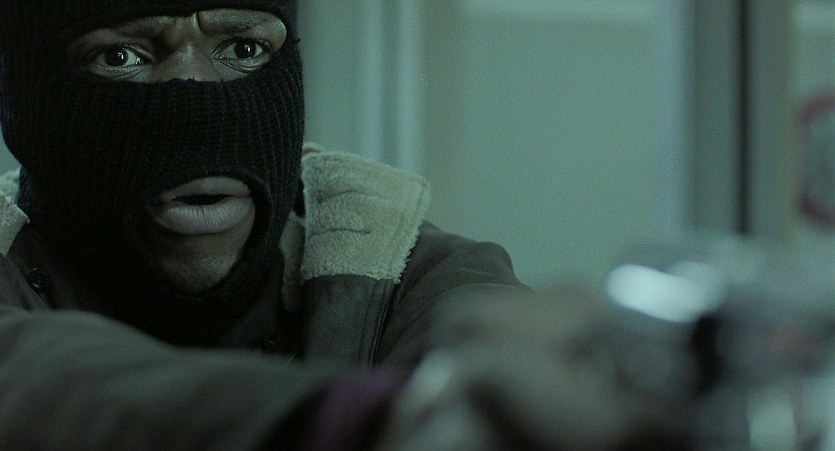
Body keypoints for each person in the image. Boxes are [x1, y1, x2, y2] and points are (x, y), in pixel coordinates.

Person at [0, 1, 690, 449]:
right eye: (122, 56)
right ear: (27, 105)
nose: (198, 102)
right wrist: (370, 418)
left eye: (243, 48)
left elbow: (481, 359)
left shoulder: (412, 273)